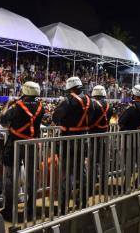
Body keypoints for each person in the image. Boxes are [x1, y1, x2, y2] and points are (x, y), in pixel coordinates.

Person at [0, 81, 44, 220]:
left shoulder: (17, 107)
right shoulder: (41, 107)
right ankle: (30, 208)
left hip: (15, 143)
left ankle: (8, 210)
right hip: (31, 143)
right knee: (31, 177)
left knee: (11, 177)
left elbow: (2, 120)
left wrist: (8, 104)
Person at [52, 76, 94, 212]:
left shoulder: (68, 101)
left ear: (70, 88)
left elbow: (55, 117)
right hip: (83, 139)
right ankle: (83, 201)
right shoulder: (90, 100)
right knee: (81, 171)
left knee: (66, 174)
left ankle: (63, 206)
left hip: (68, 141)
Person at [118, 85, 140, 190]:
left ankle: (127, 184)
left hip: (129, 136)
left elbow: (121, 122)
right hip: (139, 135)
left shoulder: (133, 107)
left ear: (135, 94)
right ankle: (139, 180)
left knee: (128, 161)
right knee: (139, 159)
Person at [89, 85, 113, 195]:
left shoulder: (93, 104)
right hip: (105, 135)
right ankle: (104, 186)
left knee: (92, 163)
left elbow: (89, 120)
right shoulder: (109, 105)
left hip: (93, 136)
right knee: (103, 163)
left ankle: (90, 188)